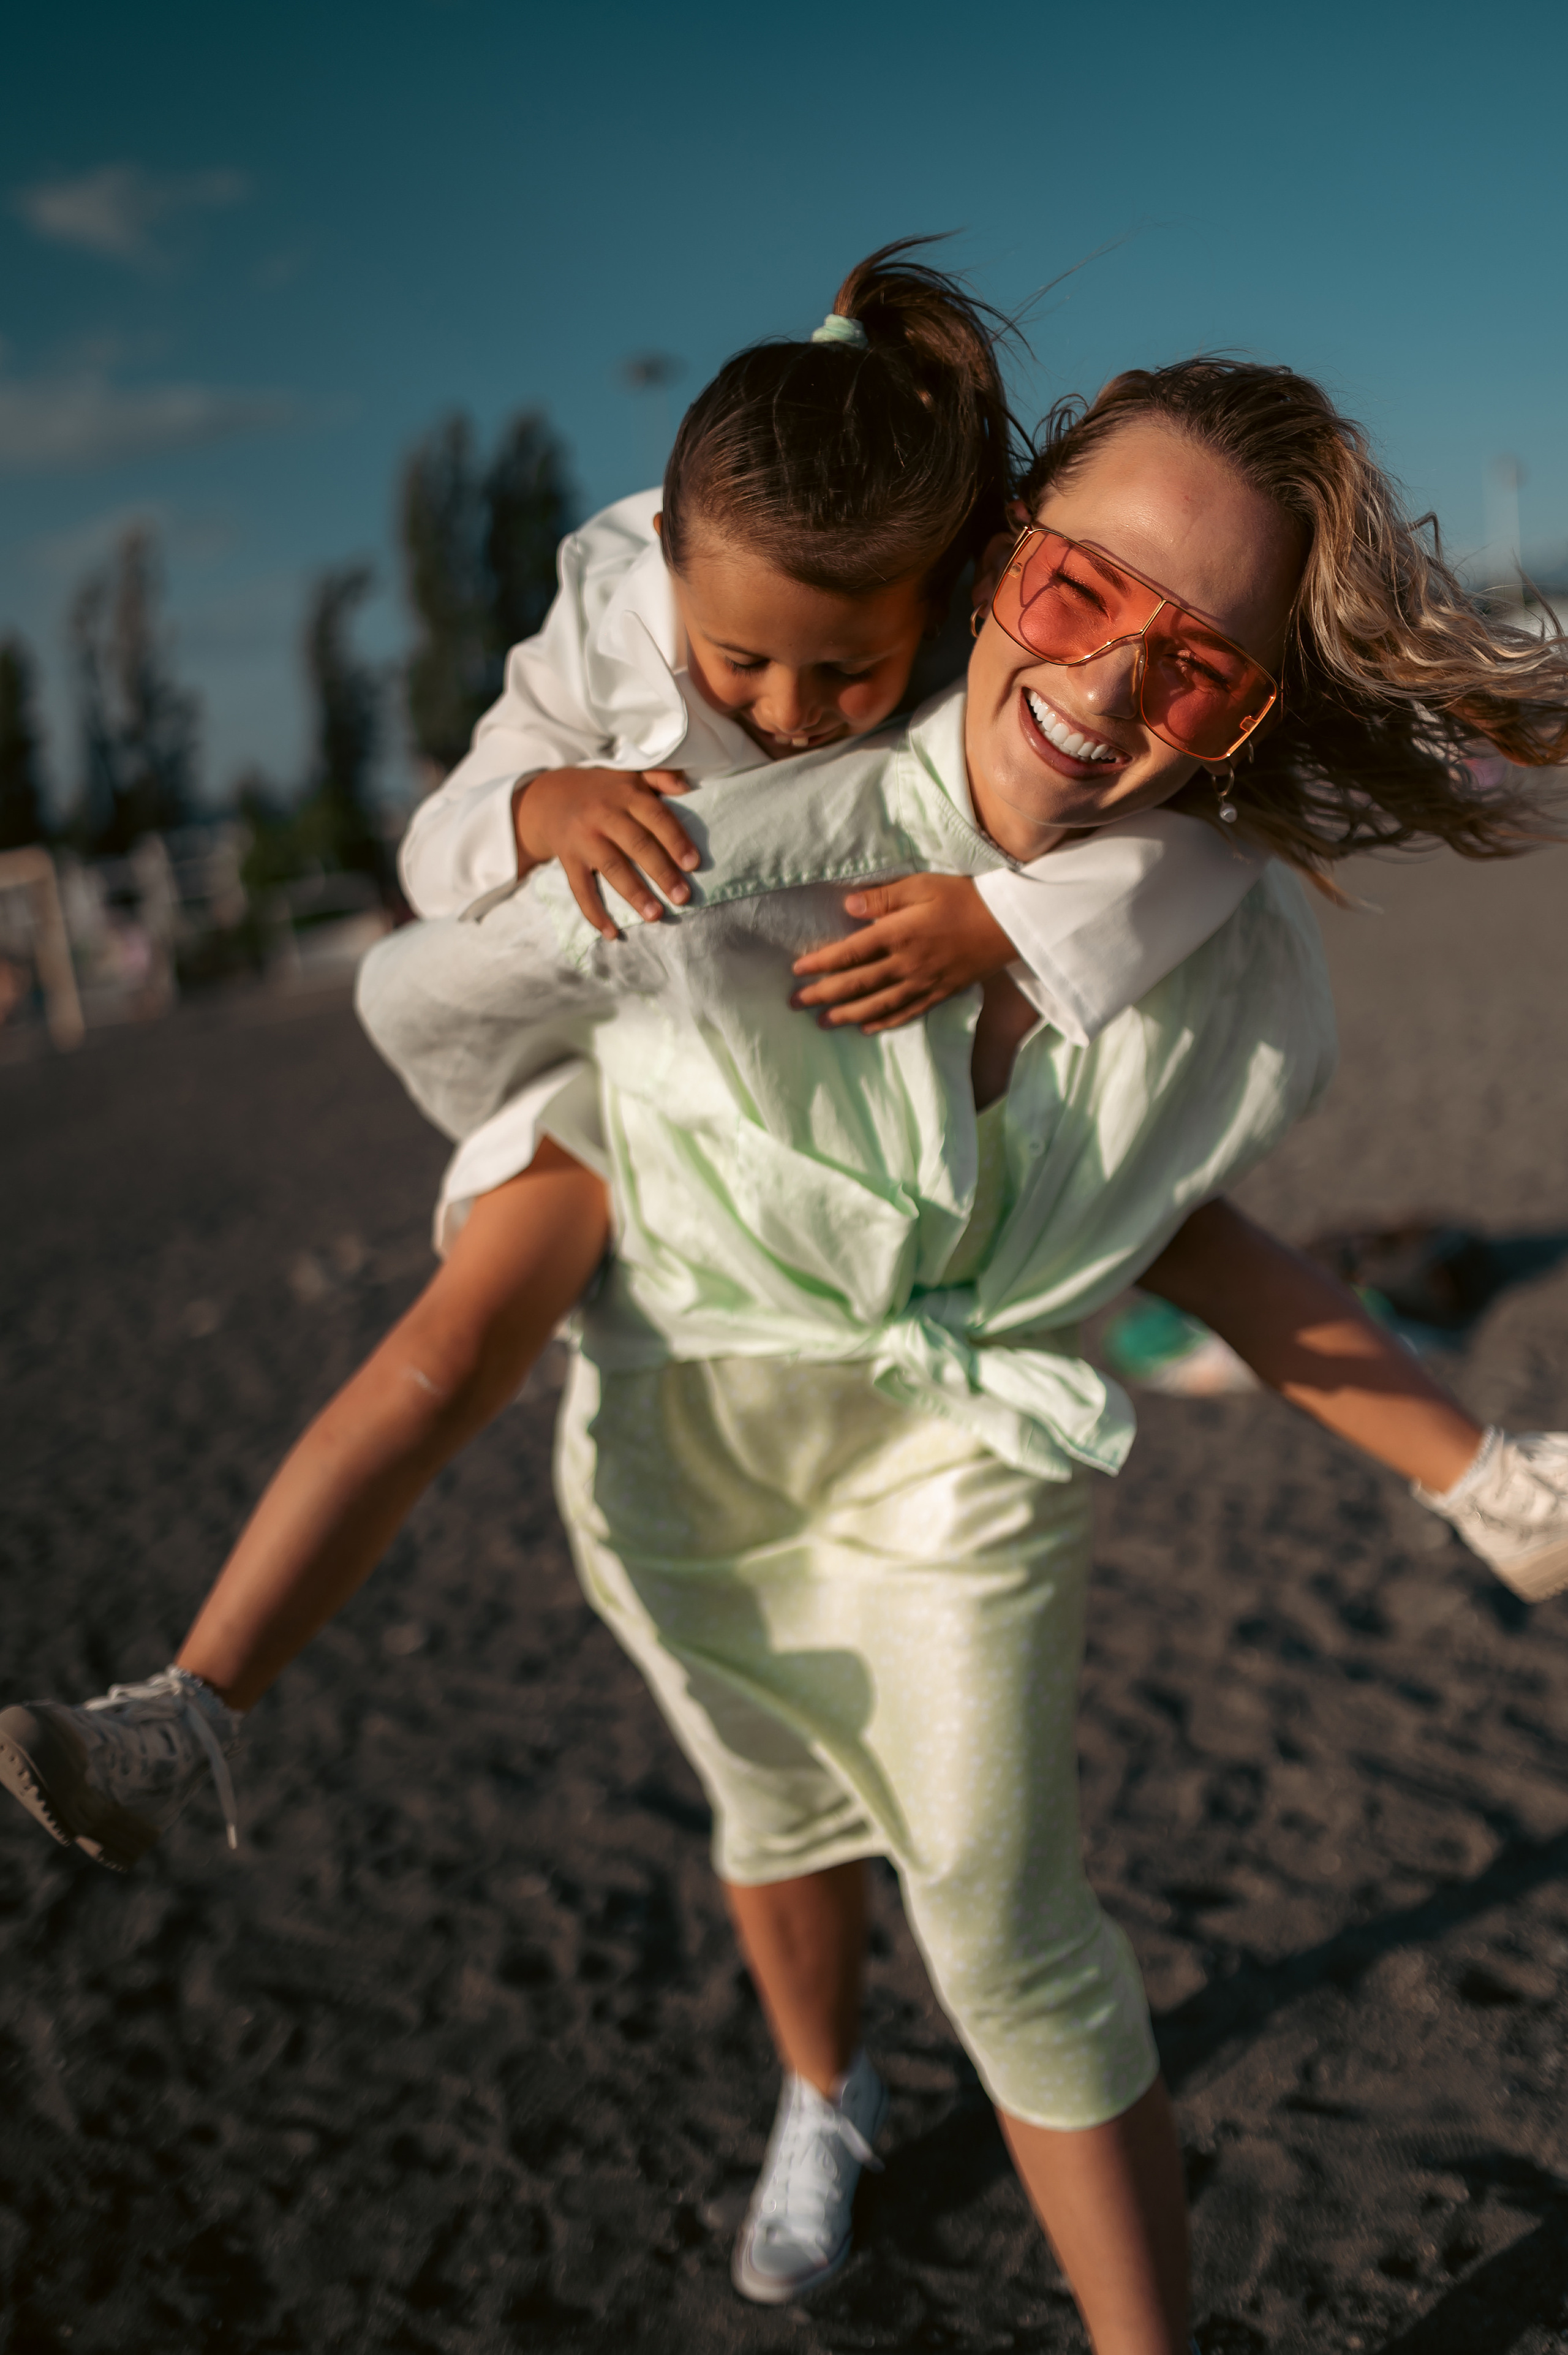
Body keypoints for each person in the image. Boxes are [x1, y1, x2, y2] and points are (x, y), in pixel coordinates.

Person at [9, 351, 1568, 2354]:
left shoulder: (1201, 925)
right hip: (691, 1409)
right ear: (996, 553)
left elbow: (1198, 1116)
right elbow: (494, 856)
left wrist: (1025, 925)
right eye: (1079, 592)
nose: (1105, 687)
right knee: (770, 1808)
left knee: (1010, 1920)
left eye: (1195, 671)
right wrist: (543, 820)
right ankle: (816, 2088)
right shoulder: (752, 768)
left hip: (958, 1447)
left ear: (1246, 707)